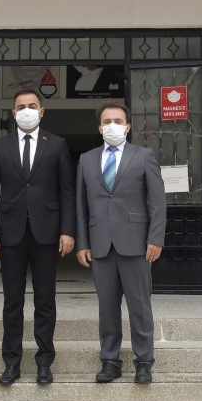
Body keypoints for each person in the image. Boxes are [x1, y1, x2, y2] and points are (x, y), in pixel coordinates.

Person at [0, 89, 75, 386]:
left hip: (46, 232)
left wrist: (67, 230)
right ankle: (11, 363)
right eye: (21, 106)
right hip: (10, 234)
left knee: (45, 300)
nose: (26, 110)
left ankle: (44, 362)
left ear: (42, 111)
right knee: (13, 301)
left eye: (32, 106)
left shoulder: (57, 144)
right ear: (13, 113)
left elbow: (67, 191)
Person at [75, 102, 166, 384]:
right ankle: (110, 361)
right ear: (99, 127)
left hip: (136, 244)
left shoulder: (144, 156)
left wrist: (155, 238)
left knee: (140, 306)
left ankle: (144, 362)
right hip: (100, 244)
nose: (112, 125)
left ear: (127, 126)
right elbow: (80, 205)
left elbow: (158, 202)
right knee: (107, 308)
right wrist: (82, 243)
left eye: (117, 121)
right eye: (107, 121)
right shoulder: (86, 159)